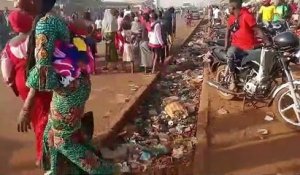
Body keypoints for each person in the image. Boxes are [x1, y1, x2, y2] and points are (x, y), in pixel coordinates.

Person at [19, 0, 117, 173]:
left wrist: (26, 108)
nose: (16, 3)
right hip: (75, 85)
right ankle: (55, 170)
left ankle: (105, 171)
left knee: (64, 141)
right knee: (51, 132)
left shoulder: (45, 24)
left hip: (69, 90)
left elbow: (43, 69)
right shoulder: (54, 17)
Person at [1, 9, 52, 167]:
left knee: (37, 118)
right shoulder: (38, 38)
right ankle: (43, 155)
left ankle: (46, 151)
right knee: (44, 117)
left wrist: (12, 85)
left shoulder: (9, 45)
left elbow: (6, 70)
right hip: (38, 81)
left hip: (21, 82)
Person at [225, 0, 270, 89]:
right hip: (236, 46)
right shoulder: (231, 17)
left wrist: (267, 42)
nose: (228, 9)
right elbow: (227, 32)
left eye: (229, 7)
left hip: (249, 47)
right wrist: (226, 46)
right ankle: (233, 80)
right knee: (230, 54)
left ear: (233, 8)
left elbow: (258, 30)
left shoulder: (247, 16)